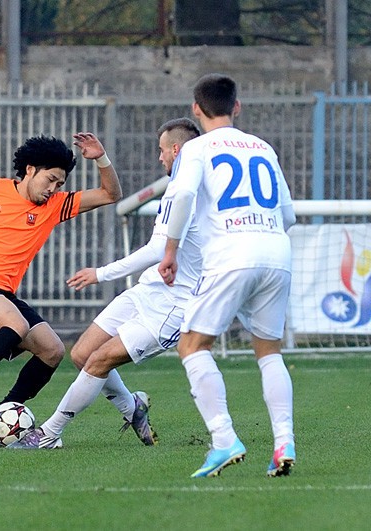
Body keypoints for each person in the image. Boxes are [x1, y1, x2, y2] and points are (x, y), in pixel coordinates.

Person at [9, 118, 202, 450]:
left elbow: (158, 250)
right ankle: (133, 408)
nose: (160, 159)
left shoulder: (192, 189)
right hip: (148, 290)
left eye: (161, 151)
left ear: (177, 149)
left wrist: (101, 273)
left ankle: (48, 433)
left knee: (100, 360)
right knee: (83, 354)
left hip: (175, 306)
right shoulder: (178, 186)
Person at [0, 133, 123, 444]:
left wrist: (101, 158)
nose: (53, 189)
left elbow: (110, 194)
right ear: (30, 169)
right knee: (15, 323)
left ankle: (2, 414)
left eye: (59, 184)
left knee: (52, 350)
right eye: (50, 180)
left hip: (1, 296)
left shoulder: (55, 206)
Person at [158, 74, 297, 477]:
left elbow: (182, 196)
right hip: (276, 250)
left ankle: (223, 439)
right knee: (269, 350)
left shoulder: (196, 148)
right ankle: (283, 441)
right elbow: (288, 215)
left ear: (196, 110)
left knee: (192, 345)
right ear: (238, 107)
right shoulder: (263, 147)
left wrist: (171, 251)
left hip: (232, 251)